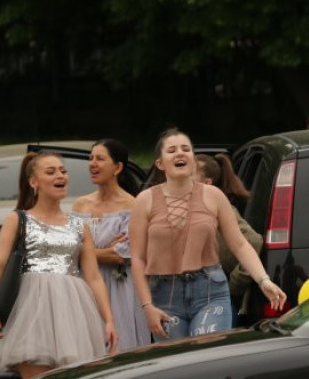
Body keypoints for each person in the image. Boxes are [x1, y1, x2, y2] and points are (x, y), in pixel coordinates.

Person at [130, 128, 287, 339]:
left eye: (186, 149)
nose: (180, 153)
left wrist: (263, 280)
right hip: (165, 296)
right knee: (177, 366)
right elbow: (137, 258)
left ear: (193, 159)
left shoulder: (214, 196)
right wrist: (147, 305)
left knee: (206, 358)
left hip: (210, 292)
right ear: (160, 163)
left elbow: (240, 244)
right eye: (172, 150)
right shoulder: (144, 200)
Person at [0, 152, 118, 379]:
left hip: (73, 312)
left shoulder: (80, 225)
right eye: (51, 172)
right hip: (32, 312)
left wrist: (108, 319)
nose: (60, 176)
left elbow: (94, 277)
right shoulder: (18, 219)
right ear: (34, 182)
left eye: (63, 171)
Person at [72, 139, 151, 351]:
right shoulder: (80, 205)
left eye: (100, 158)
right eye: (91, 158)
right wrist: (101, 252)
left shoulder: (132, 205)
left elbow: (122, 255)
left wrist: (85, 252)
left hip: (120, 288)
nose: (92, 164)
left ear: (117, 167)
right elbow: (68, 250)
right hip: (86, 285)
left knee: (122, 346)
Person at [193, 153, 263, 317]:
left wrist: (232, 286)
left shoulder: (220, 210)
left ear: (207, 183)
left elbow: (254, 241)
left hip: (215, 299)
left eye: (190, 173)